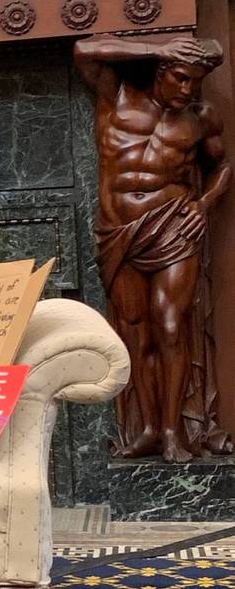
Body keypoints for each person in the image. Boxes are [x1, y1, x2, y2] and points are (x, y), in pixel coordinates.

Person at [74, 34, 231, 463]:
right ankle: (146, 428)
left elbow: (222, 167)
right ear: (162, 70)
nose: (187, 90)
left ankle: (172, 431)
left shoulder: (201, 118)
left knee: (170, 325)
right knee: (135, 328)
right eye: (180, 79)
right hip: (120, 229)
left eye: (194, 83)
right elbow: (84, 51)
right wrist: (157, 48)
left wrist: (204, 203)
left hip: (174, 226)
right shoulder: (118, 96)